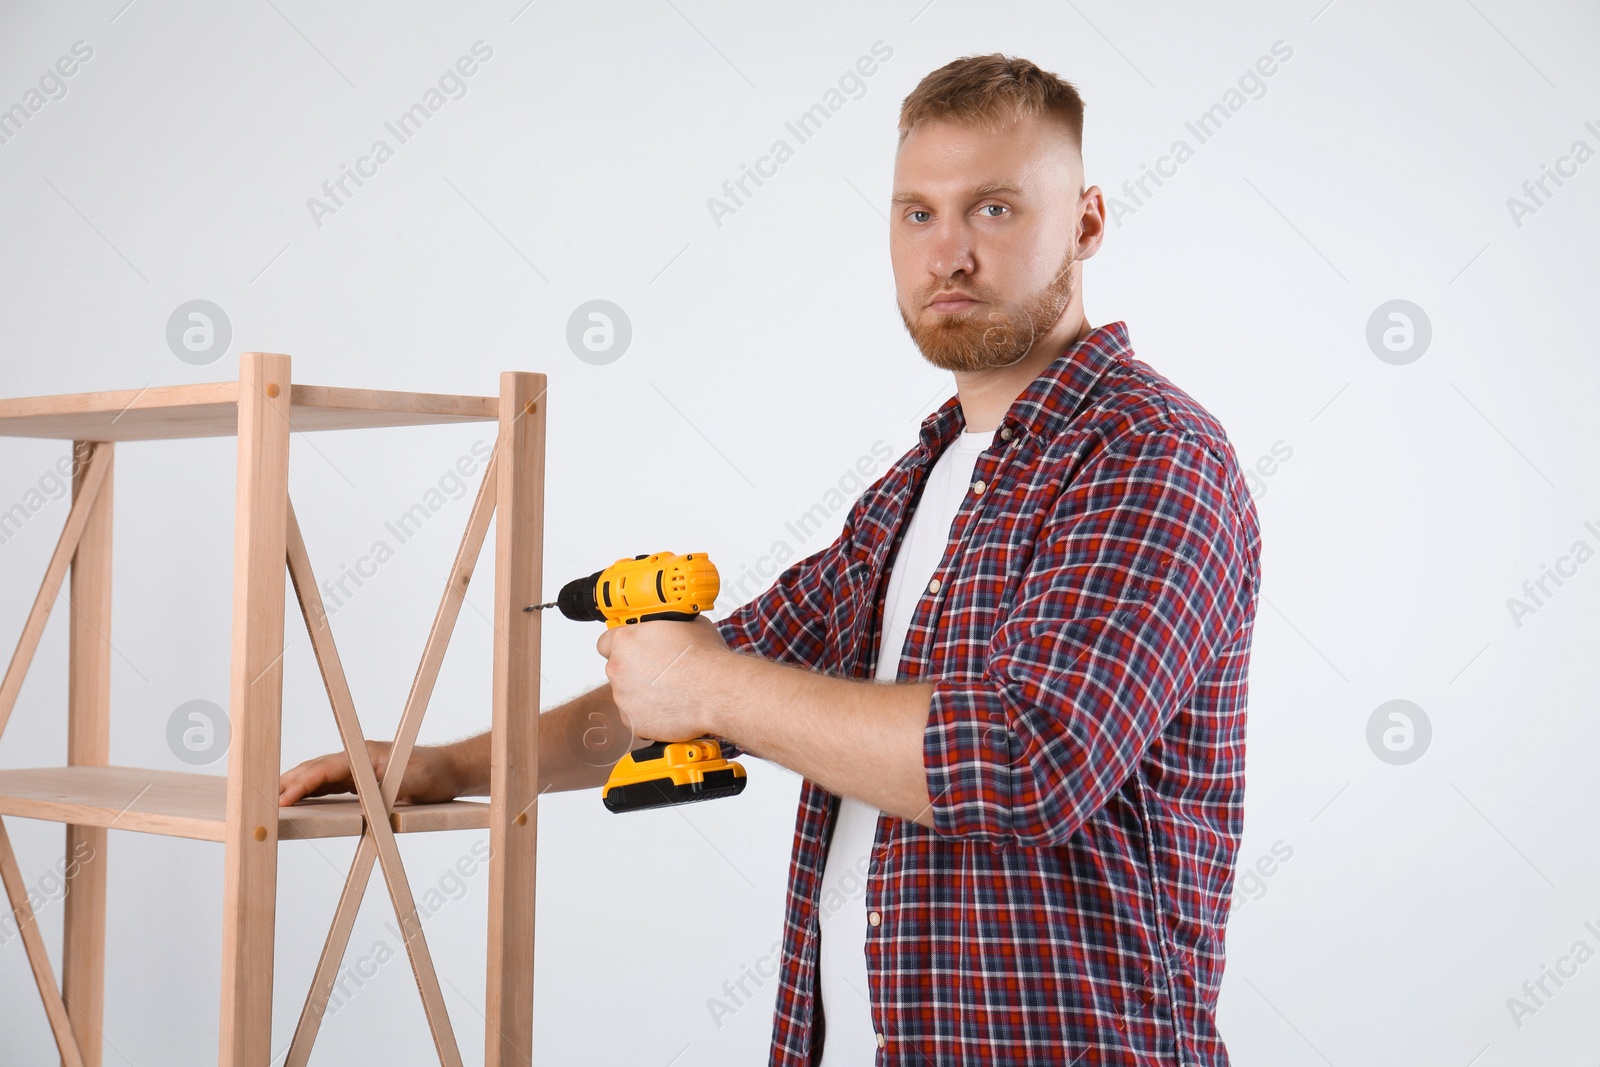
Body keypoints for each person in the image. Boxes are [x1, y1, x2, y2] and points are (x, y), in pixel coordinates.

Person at [280, 53, 1261, 1067]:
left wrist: (706, 679)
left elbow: (1029, 758)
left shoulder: (1150, 453)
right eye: (916, 214)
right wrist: (448, 766)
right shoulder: (908, 491)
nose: (948, 254)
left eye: (995, 209)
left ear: (1088, 221)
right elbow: (690, 690)